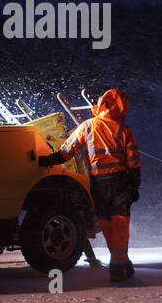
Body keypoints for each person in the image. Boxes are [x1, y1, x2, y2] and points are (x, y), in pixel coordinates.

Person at [39, 88, 140, 281]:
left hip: (98, 182)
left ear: (102, 105)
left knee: (106, 222)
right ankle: (119, 265)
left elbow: (66, 152)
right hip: (120, 182)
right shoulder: (124, 130)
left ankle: (121, 261)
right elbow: (133, 161)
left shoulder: (87, 126)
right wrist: (135, 185)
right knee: (120, 223)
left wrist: (45, 161)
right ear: (121, 108)